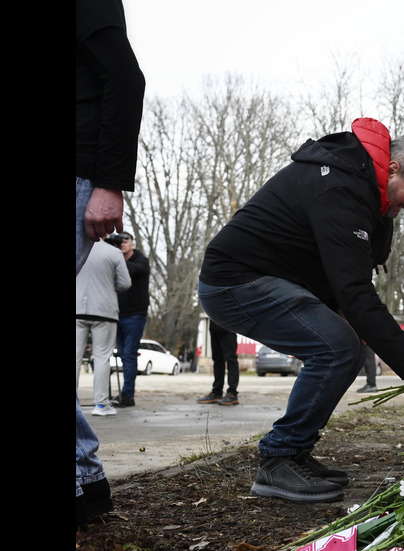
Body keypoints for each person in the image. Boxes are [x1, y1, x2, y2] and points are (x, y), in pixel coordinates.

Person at [198, 117, 404, 504]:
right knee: (337, 346)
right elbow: (354, 289)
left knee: (347, 345)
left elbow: (338, 270)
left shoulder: (364, 188)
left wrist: (347, 316)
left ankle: (295, 453)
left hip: (272, 279)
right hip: (234, 281)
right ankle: (278, 459)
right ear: (392, 170)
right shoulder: (341, 187)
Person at [76, 0, 145, 529]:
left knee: (106, 359)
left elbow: (125, 77)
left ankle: (83, 477)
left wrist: (109, 181)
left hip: (81, 172)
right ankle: (85, 478)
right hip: (99, 314)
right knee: (100, 361)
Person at [76, 240, 132, 416]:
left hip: (77, 308)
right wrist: (108, 285)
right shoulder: (113, 252)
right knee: (102, 357)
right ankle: (101, 404)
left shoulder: (78, 248)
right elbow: (125, 282)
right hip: (104, 309)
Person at [111, 230, 150, 408]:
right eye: (120, 240)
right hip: (116, 314)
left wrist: (115, 255)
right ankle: (124, 393)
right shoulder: (115, 260)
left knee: (129, 355)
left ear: (133, 243)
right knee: (122, 355)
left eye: (126, 240)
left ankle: (128, 395)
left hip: (135, 315)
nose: (123, 243)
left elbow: (134, 270)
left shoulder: (141, 261)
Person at [197, 321, 241, 406]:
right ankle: (217, 392)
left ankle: (232, 393)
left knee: (231, 359)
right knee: (217, 359)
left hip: (228, 325)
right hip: (214, 325)